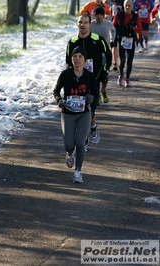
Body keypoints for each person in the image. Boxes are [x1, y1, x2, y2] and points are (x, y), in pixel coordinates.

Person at [66, 13, 112, 151]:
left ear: (89, 25)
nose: (82, 25)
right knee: (79, 109)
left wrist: (104, 71)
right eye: (80, 22)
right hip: (78, 81)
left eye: (85, 22)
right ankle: (84, 138)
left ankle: (92, 126)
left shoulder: (98, 40)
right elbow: (68, 62)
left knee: (90, 110)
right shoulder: (72, 42)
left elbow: (108, 55)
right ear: (77, 24)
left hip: (94, 80)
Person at [54, 47, 96, 183]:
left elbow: (95, 94)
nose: (77, 59)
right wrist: (59, 100)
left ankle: (78, 171)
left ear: (84, 60)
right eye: (74, 56)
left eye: (80, 56)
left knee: (80, 143)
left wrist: (91, 99)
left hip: (84, 113)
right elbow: (56, 91)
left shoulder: (89, 76)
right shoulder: (65, 75)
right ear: (71, 59)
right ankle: (69, 153)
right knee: (69, 144)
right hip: (68, 113)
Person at [113, 0, 143, 87]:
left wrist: (134, 28)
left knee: (129, 61)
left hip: (131, 40)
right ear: (123, 5)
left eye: (129, 5)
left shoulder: (135, 16)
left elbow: (140, 28)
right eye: (126, 5)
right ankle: (121, 75)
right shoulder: (118, 15)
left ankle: (127, 78)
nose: (127, 7)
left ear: (132, 6)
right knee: (122, 60)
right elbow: (113, 26)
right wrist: (114, 37)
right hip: (121, 39)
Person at [91, 5, 117, 103]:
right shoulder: (91, 25)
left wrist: (112, 40)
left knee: (104, 75)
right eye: (96, 14)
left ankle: (103, 91)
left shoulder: (108, 24)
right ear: (94, 15)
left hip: (105, 53)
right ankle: (96, 94)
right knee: (95, 75)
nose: (98, 16)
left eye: (100, 14)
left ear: (103, 15)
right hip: (94, 53)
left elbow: (113, 30)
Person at [111, 0, 125, 71]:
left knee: (122, 45)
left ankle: (122, 61)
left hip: (122, 25)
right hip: (113, 24)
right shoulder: (112, 1)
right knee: (114, 45)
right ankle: (115, 62)